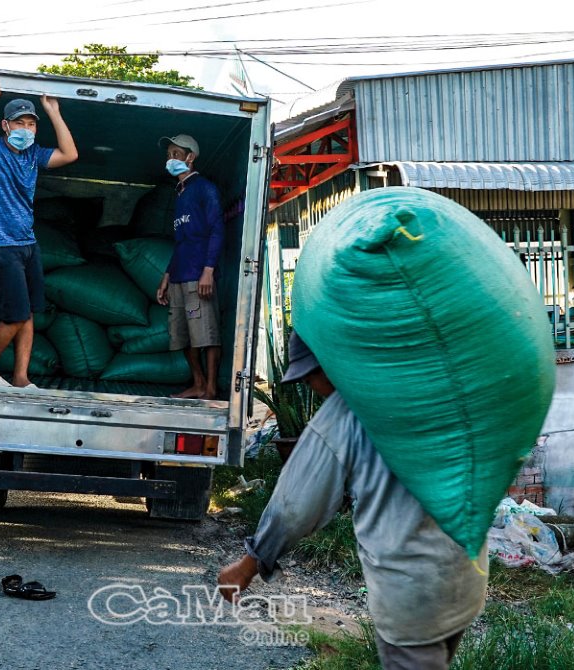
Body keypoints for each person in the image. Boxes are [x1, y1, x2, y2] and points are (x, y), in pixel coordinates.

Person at [218, 331, 488, 670]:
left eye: (310, 375)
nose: (311, 386)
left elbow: (294, 508)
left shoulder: (344, 412)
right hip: (467, 574)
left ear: (332, 364)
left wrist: (248, 565)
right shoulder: (430, 385)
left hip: (408, 587)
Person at [0, 81, 78, 388]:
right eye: (19, 123)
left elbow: (70, 154)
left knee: (27, 314)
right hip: (0, 244)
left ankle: (21, 378)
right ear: (5, 125)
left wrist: (52, 112)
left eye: (31, 124)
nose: (26, 129)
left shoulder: (34, 156)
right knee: (14, 315)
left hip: (27, 245)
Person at [154, 134, 224, 400]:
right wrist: (166, 276)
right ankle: (198, 383)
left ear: (190, 158)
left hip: (198, 276)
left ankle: (210, 388)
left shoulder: (204, 188)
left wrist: (208, 270)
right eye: (169, 154)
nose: (170, 159)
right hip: (179, 277)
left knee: (206, 334)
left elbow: (217, 229)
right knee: (183, 336)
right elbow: (180, 242)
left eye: (175, 154)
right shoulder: (180, 194)